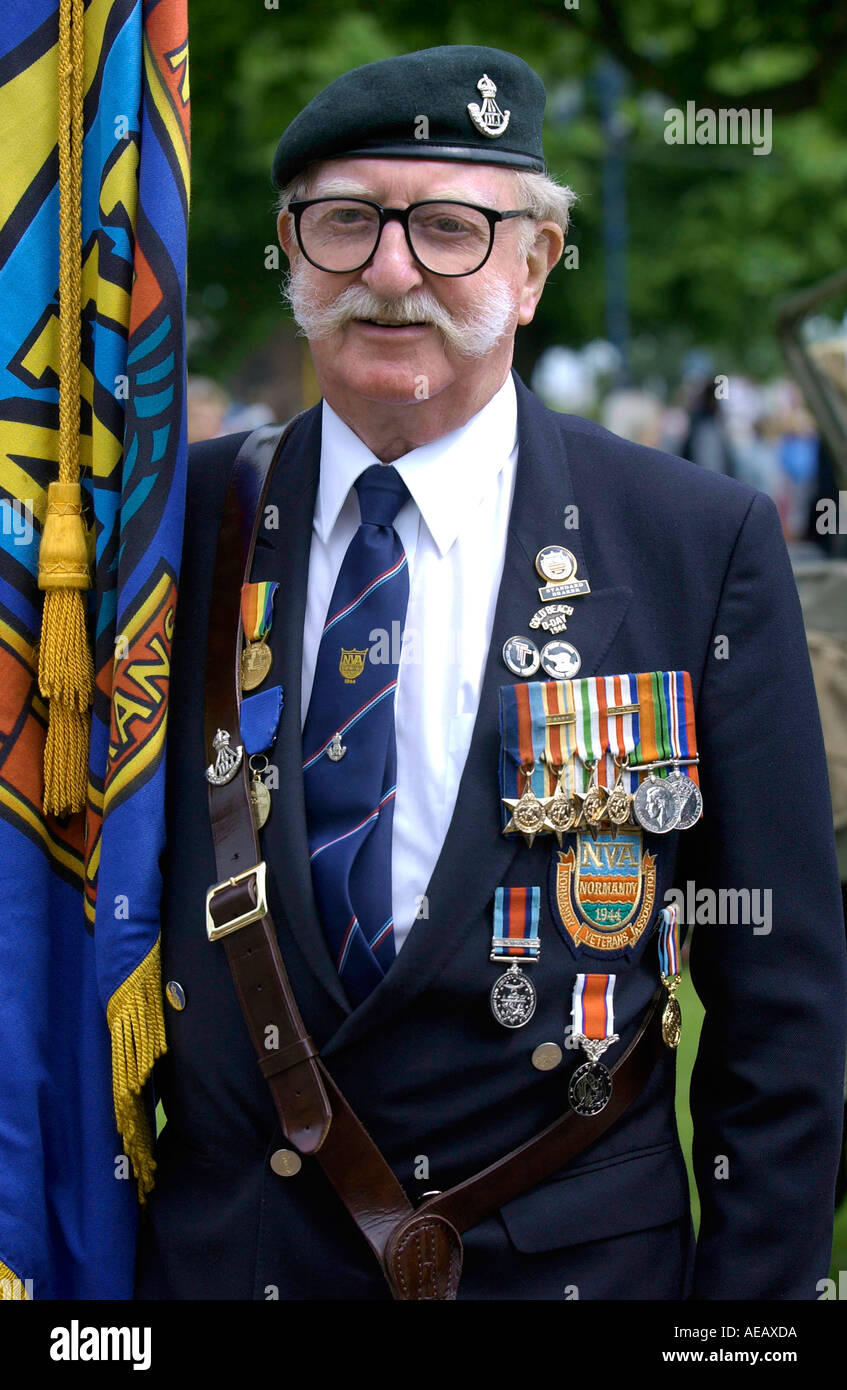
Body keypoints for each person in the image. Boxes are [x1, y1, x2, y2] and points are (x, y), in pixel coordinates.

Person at [135, 44, 846, 1301]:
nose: (392, 272)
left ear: (533, 268)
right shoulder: (168, 532)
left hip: (564, 1269)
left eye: (452, 229)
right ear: (292, 252)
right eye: (345, 222)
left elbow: (781, 1001)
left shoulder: (692, 541)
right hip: (236, 1262)